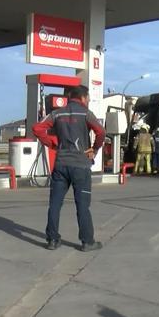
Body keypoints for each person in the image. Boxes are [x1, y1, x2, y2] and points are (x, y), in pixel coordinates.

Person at [32, 85, 106, 251]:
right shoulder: (86, 113)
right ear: (83, 97)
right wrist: (94, 149)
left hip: (61, 165)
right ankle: (87, 241)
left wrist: (51, 143)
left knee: (55, 204)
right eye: (88, 98)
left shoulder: (57, 113)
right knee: (82, 205)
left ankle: (52, 240)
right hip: (80, 166)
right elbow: (101, 132)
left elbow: (37, 128)